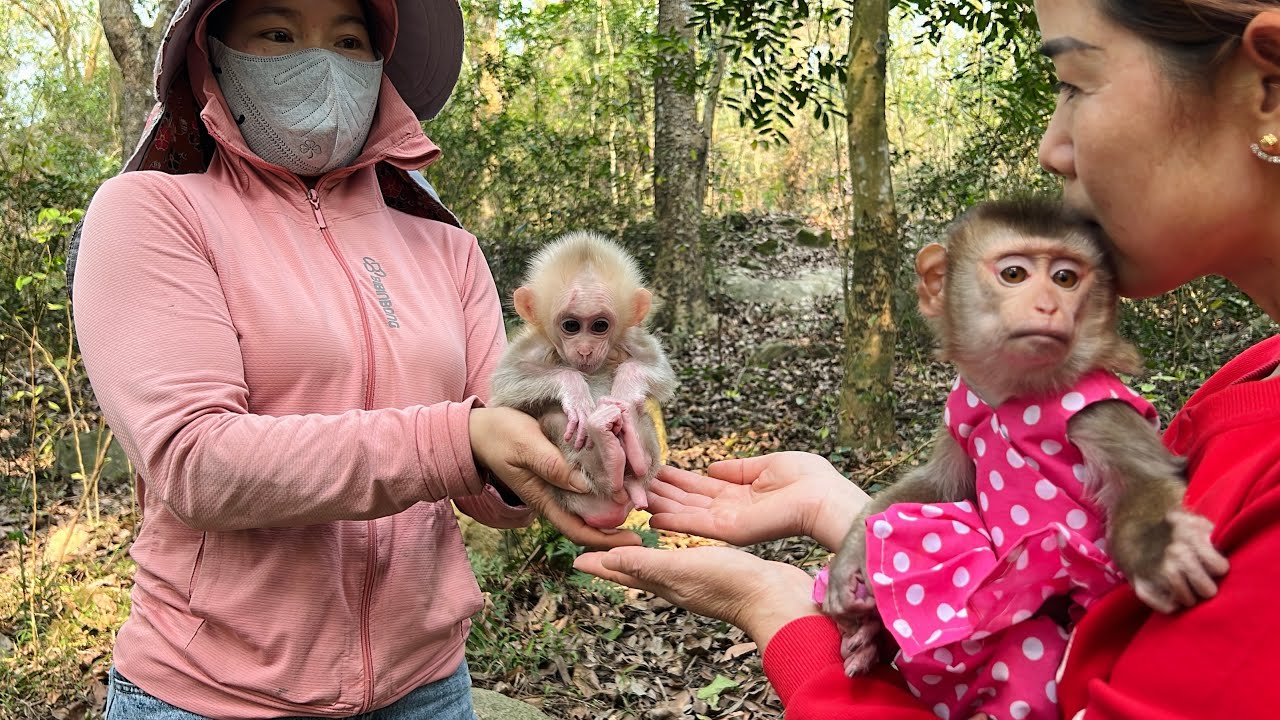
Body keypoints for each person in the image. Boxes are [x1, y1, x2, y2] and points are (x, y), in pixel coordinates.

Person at [575, 1, 1280, 717]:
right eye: (1014, 276)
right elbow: (1012, 509)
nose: (1050, 147)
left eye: (1073, 81)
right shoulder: (1248, 376)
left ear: (1269, 90)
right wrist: (849, 523)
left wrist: (775, 611)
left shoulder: (1140, 421)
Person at [73, 0, 637, 717]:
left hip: (427, 686)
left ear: (379, 69)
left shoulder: (444, 246)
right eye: (278, 34)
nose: (322, 61)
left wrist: (571, 448)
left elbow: (491, 454)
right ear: (211, 57)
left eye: (348, 39)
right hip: (212, 694)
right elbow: (196, 462)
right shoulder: (152, 212)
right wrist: (461, 438)